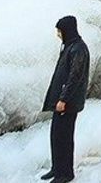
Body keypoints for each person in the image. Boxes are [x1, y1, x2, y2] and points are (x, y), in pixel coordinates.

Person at [41, 16, 90, 183]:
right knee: (56, 135)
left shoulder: (78, 49)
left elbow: (75, 78)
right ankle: (57, 168)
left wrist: (63, 99)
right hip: (61, 102)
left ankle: (65, 174)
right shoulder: (69, 47)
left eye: (59, 31)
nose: (58, 35)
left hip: (68, 103)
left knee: (64, 137)